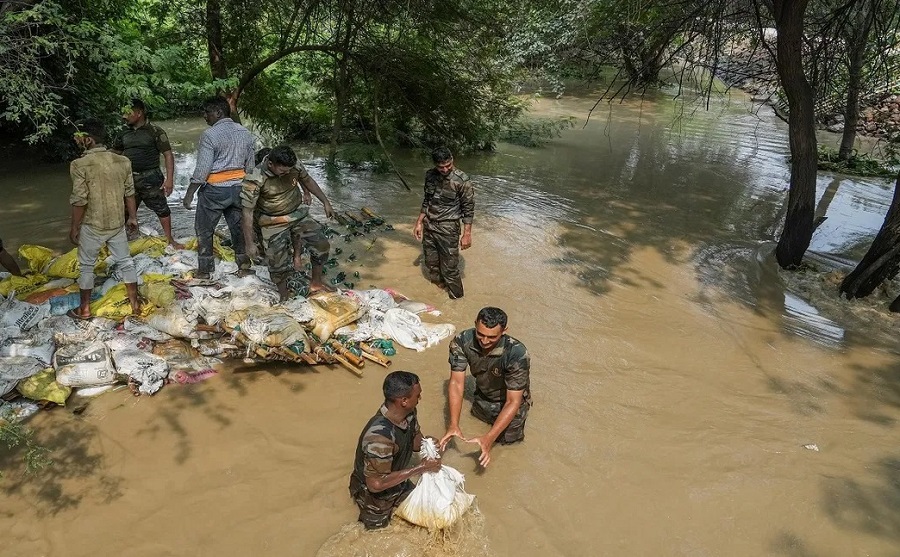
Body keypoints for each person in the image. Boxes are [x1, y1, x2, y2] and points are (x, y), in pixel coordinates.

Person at [439, 307, 531, 468]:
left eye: (492, 337)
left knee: (508, 446)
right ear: (475, 324)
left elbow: (513, 401)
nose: (485, 341)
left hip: (511, 405)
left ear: (504, 331)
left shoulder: (517, 353)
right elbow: (456, 383)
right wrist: (453, 424)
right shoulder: (461, 341)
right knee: (477, 421)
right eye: (480, 334)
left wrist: (489, 439)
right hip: (483, 396)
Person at [349, 371, 442, 530]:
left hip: (397, 481)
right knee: (377, 533)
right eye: (417, 396)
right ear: (404, 401)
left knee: (432, 513)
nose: (419, 399)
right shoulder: (380, 438)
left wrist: (429, 444)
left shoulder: (409, 414)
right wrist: (421, 468)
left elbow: (414, 443)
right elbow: (375, 484)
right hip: (374, 497)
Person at [241, 145, 335, 300]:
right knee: (277, 263)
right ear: (271, 164)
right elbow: (247, 212)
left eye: (288, 170)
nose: (287, 173)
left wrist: (325, 202)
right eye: (283, 171)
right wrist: (249, 243)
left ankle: (316, 283)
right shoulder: (255, 178)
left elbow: (307, 180)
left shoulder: (294, 164)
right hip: (272, 222)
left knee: (321, 245)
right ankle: (284, 295)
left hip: (298, 214)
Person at [68, 119, 141, 319]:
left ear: (89, 140)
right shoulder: (122, 161)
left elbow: (80, 200)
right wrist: (132, 217)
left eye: (79, 138)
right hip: (117, 223)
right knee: (126, 262)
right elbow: (129, 193)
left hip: (93, 224)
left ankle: (84, 310)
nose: (76, 140)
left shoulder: (79, 164)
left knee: (86, 266)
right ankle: (135, 307)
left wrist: (74, 226)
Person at [183, 97, 255, 279]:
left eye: (207, 112)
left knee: (204, 229)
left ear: (218, 112)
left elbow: (202, 170)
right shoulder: (245, 133)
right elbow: (251, 167)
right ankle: (244, 267)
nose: (204, 116)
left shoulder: (210, 135)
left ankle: (205, 271)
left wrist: (189, 193)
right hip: (239, 188)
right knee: (239, 229)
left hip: (215, 190)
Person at [112, 98, 182, 248]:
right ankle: (121, 243)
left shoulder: (155, 131)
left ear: (139, 113)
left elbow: (168, 155)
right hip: (128, 179)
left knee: (162, 209)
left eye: (127, 113)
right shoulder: (122, 132)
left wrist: (169, 180)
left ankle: (170, 240)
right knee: (122, 212)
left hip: (151, 177)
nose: (124, 117)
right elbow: (115, 155)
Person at [412, 147, 474, 299]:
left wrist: (467, 234)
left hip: (448, 228)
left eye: (448, 165)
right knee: (431, 263)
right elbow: (427, 200)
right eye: (441, 167)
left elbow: (469, 209)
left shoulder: (461, 181)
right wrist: (419, 222)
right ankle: (438, 292)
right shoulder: (430, 175)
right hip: (429, 224)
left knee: (450, 269)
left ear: (452, 160)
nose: (445, 169)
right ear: (435, 165)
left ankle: (457, 299)